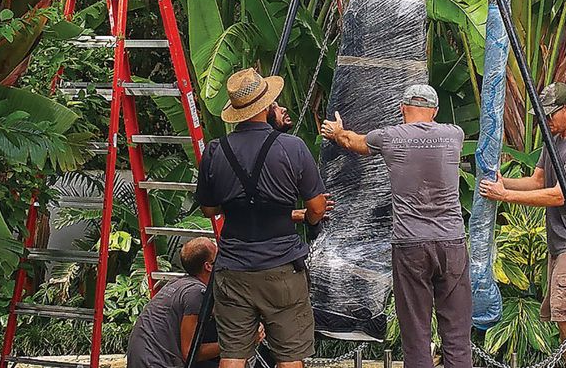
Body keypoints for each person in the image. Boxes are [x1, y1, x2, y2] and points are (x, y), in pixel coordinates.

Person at [319, 84, 471, 368]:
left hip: (410, 245)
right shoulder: (454, 134)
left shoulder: (390, 137)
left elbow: (354, 142)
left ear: (402, 109)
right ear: (435, 111)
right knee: (457, 335)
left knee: (416, 334)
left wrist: (337, 132)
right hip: (451, 243)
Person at [194, 68, 329, 368]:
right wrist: (305, 216)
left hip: (233, 268)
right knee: (290, 356)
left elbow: (209, 210)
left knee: (232, 355)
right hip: (281, 268)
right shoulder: (292, 147)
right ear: (267, 106)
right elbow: (318, 207)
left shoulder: (216, 151)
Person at [479, 83, 566, 368]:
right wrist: (502, 182)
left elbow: (560, 194)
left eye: (550, 115)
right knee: (563, 319)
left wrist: (507, 196)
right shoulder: (555, 140)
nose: (545, 122)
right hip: (560, 244)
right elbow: (538, 181)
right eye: (542, 117)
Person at [127, 238, 221, 368]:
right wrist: (237, 344)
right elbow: (189, 353)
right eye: (219, 256)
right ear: (208, 266)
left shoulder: (177, 283)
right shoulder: (195, 293)